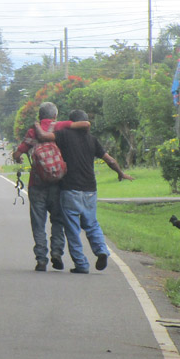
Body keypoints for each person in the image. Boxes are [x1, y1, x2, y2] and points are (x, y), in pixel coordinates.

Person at [33, 109, 133, 274]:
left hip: (70, 189)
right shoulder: (92, 140)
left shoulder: (64, 135)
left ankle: (81, 264)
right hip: (90, 190)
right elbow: (110, 160)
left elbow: (43, 137)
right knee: (92, 224)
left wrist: (36, 124)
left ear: (72, 123)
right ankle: (101, 250)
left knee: (72, 229)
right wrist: (120, 173)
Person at [12, 102, 90, 272]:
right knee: (58, 220)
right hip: (58, 183)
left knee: (38, 223)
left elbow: (17, 153)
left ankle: (41, 259)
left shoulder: (33, 131)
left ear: (40, 116)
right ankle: (57, 253)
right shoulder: (60, 126)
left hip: (37, 183)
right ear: (55, 115)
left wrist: (19, 157)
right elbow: (84, 124)